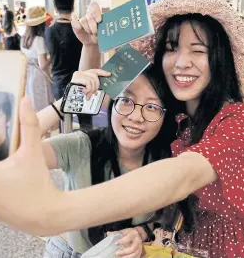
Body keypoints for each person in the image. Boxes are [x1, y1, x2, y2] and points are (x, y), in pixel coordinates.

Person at [0, 0, 244, 258]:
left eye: (198, 50)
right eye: (171, 48)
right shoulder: (175, 119)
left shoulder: (240, 121)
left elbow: (184, 175)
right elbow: (97, 95)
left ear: (219, 57)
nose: (181, 62)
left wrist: (52, 212)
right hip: (188, 243)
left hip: (239, 250)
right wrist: (90, 47)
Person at [37, 68, 177, 257]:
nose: (136, 117)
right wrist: (66, 101)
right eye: (126, 100)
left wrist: (140, 232)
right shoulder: (82, 145)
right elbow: (11, 150)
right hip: (67, 252)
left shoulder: (164, 161)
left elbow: (167, 212)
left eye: (152, 107)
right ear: (112, 104)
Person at [45, 0, 92, 130]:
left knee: (64, 123)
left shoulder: (49, 31)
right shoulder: (80, 30)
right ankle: (88, 148)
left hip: (59, 81)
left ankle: (64, 149)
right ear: (73, 7)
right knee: (85, 123)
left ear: (55, 9)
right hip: (81, 80)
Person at [21, 6, 54, 114]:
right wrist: (52, 56)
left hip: (28, 74)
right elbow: (42, 64)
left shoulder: (24, 38)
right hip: (39, 76)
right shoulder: (39, 40)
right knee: (43, 104)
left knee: (33, 103)